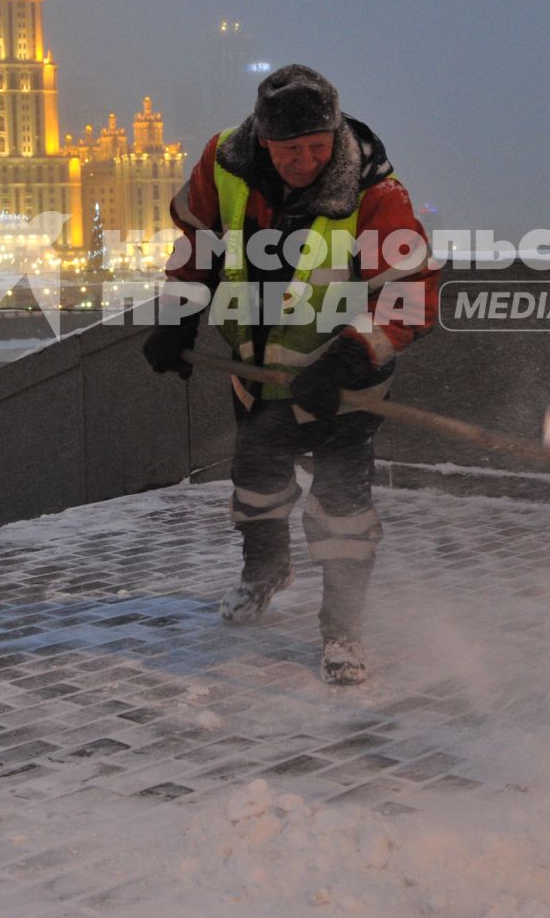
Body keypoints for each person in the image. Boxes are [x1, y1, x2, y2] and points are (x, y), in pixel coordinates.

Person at [142, 65, 438, 685]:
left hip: (343, 388)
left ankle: (342, 631)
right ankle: (265, 571)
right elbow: (195, 244)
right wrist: (178, 316)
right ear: (263, 140)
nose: (306, 159)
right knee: (255, 488)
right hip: (254, 377)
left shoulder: (376, 193)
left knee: (342, 510)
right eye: (290, 148)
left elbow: (410, 294)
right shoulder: (224, 165)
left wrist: (354, 356)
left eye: (318, 146)